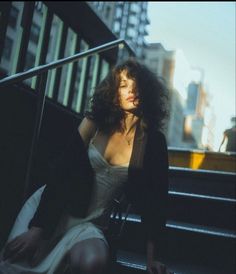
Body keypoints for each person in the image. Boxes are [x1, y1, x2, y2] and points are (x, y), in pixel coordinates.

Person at [0, 58, 173, 274]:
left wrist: (153, 259)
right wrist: (37, 229)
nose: (132, 90)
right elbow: (61, 172)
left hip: (90, 226)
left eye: (137, 84)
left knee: (93, 262)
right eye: (123, 84)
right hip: (51, 211)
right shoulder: (94, 123)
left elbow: (156, 203)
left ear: (147, 91)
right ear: (113, 92)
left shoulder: (153, 142)